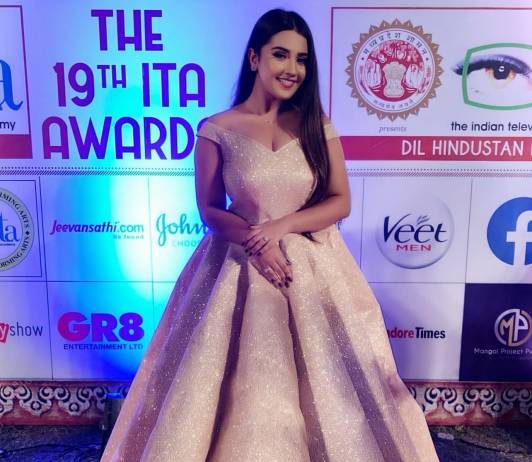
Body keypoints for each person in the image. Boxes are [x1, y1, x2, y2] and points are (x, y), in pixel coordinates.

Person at [102, 9, 439, 462]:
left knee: (335, 392)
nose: (292, 68)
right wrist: (257, 243)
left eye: (301, 59)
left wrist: (281, 227)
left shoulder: (317, 125)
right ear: (254, 58)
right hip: (236, 268)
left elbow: (340, 201)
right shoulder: (218, 129)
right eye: (280, 54)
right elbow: (210, 211)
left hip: (314, 268)